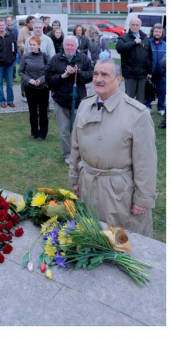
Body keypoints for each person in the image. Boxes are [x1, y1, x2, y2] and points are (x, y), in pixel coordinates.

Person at [69, 60, 157, 238]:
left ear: (118, 80)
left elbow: (146, 162)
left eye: (104, 75)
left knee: (120, 241)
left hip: (118, 193)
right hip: (88, 186)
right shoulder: (85, 105)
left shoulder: (137, 114)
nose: (98, 79)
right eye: (95, 74)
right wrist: (75, 178)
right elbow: (76, 146)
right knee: (92, 236)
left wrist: (142, 199)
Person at [46, 35, 93, 165]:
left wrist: (78, 73)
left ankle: (81, 154)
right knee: (64, 131)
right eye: (67, 45)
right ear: (63, 46)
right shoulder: (55, 59)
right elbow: (49, 79)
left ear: (76, 47)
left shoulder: (83, 59)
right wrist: (64, 76)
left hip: (79, 100)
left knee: (81, 130)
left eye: (72, 45)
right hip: (61, 100)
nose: (70, 48)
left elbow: (91, 75)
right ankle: (67, 154)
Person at [19, 36, 50, 140]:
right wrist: (29, 80)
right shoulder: (26, 56)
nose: (32, 46)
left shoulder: (45, 56)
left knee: (42, 111)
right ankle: (34, 132)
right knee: (32, 111)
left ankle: (42, 133)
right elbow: (21, 72)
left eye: (34, 44)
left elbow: (49, 71)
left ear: (39, 45)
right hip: (30, 88)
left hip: (42, 88)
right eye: (30, 44)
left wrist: (41, 80)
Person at [116, 17, 152, 103]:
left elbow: (150, 56)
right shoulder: (123, 38)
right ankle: (128, 115)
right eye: (133, 25)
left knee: (140, 98)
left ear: (140, 26)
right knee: (129, 98)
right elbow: (119, 48)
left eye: (137, 25)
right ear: (129, 25)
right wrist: (133, 43)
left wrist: (149, 71)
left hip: (142, 74)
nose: (135, 27)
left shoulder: (145, 38)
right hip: (130, 73)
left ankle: (139, 115)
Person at [0, 19, 17, 108]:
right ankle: (2, 101)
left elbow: (14, 48)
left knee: (9, 83)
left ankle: (10, 100)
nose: (1, 26)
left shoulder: (11, 35)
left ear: (5, 25)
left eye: (3, 25)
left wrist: (12, 58)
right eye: (0, 25)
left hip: (9, 63)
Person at [145, 23, 166, 115]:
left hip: (162, 73)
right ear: (152, 32)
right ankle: (147, 106)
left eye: (159, 32)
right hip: (150, 73)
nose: (157, 33)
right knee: (149, 90)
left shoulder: (165, 44)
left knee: (162, 91)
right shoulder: (147, 43)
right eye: (156, 31)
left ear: (162, 33)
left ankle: (161, 107)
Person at [17, 15, 36, 102]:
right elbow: (20, 42)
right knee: (24, 75)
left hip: (36, 56)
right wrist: (28, 49)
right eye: (32, 22)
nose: (34, 24)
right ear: (27, 23)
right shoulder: (23, 30)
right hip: (25, 56)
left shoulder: (37, 30)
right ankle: (24, 94)